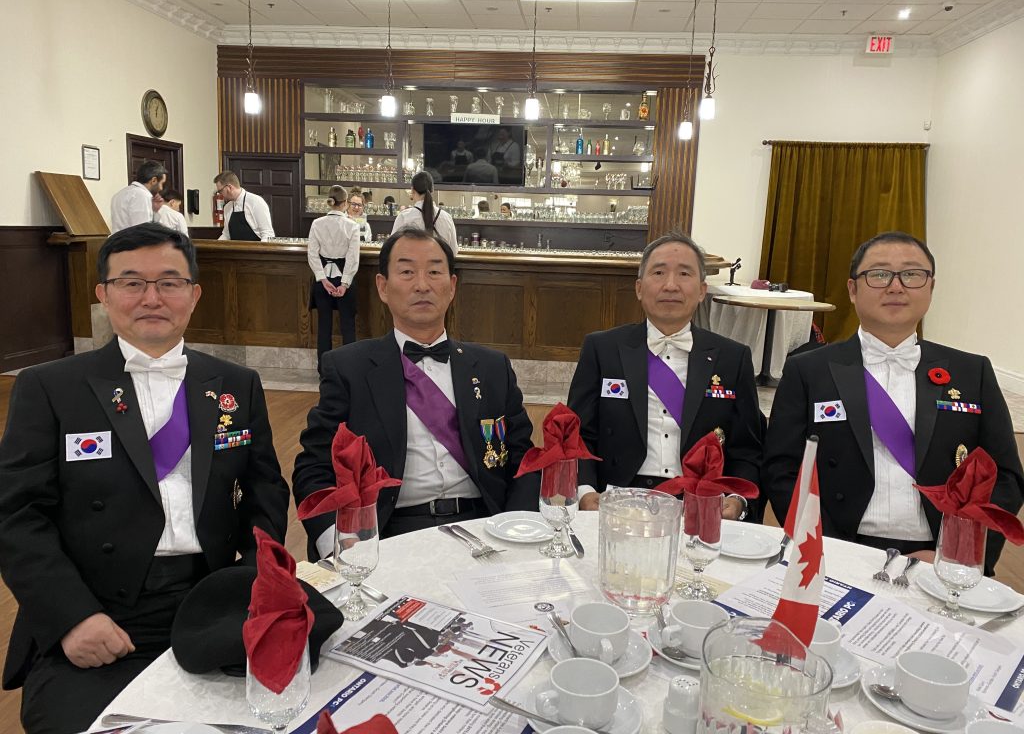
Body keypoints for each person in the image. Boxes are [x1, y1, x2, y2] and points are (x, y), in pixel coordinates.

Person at [0, 223, 290, 734]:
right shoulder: (51, 387)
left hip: (213, 601)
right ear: (103, 294)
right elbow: (16, 514)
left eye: (169, 283)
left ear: (194, 295)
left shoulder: (236, 384)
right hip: (100, 612)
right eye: (132, 282)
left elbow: (265, 490)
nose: (152, 298)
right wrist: (72, 617)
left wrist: (251, 581)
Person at [764, 231, 1024, 574]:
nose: (896, 286)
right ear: (853, 290)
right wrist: (825, 547)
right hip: (835, 550)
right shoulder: (808, 370)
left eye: (912, 274)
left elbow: (1006, 478)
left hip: (942, 557)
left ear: (931, 287)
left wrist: (958, 552)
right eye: (879, 274)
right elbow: (782, 469)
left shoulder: (971, 372)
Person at [292, 229, 537, 554]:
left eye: (434, 272)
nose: (422, 285)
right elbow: (314, 467)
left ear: (452, 286)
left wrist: (516, 528)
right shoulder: (349, 368)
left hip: (484, 525)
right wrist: (339, 540)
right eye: (407, 272)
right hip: (387, 533)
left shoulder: (492, 367)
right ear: (383, 287)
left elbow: (523, 459)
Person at [567, 231, 763, 519]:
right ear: (639, 288)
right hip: (616, 498)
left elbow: (747, 448)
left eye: (684, 274)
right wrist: (585, 492)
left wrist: (737, 499)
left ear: (702, 290)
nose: (671, 285)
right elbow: (578, 434)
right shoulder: (602, 349)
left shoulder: (733, 358)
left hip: (698, 502)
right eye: (658, 273)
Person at [307, 185, 360, 374]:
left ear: (329, 202)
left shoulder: (317, 224)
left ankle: (325, 369)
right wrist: (345, 283)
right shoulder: (352, 226)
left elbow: (312, 254)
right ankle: (349, 369)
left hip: (323, 281)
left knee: (324, 326)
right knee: (348, 326)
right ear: (345, 203)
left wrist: (322, 279)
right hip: (344, 277)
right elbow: (353, 257)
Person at [391, 171, 459, 254]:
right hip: (438, 262)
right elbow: (453, 251)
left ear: (412, 190)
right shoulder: (446, 217)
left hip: (412, 262)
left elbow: (392, 248)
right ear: (432, 190)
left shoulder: (404, 217)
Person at [214, 171, 275, 241]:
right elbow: (226, 235)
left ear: (229, 187)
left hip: (256, 247)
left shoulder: (256, 202)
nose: (220, 194)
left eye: (220, 191)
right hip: (235, 248)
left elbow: (267, 233)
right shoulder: (227, 207)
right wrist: (214, 246)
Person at [110, 161, 166, 232]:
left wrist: (154, 211)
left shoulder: (118, 194)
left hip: (119, 238)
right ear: (154, 180)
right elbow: (143, 230)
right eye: (162, 183)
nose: (161, 188)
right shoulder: (142, 195)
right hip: (135, 239)